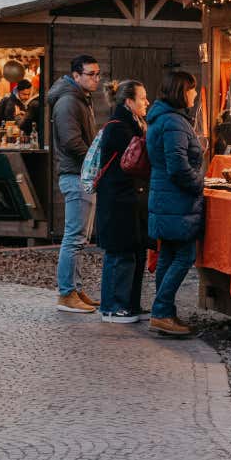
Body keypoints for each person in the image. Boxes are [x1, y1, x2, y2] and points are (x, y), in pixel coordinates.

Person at [145, 69, 204, 336]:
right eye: (191, 89)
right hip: (176, 200)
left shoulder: (162, 119)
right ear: (181, 91)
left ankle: (164, 311)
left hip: (165, 197)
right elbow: (178, 166)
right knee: (184, 255)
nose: (194, 94)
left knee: (169, 254)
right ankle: (161, 312)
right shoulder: (173, 122)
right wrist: (199, 183)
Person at [48, 54, 101, 313]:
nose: (96, 79)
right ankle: (66, 293)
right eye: (91, 74)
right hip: (76, 175)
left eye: (98, 74)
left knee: (80, 238)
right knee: (74, 238)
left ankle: (75, 289)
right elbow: (70, 141)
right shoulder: (69, 101)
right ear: (76, 75)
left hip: (80, 174)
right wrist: (93, 160)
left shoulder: (79, 99)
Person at [96, 80, 151, 323]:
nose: (147, 102)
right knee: (121, 253)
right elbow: (137, 160)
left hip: (130, 199)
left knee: (133, 252)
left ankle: (128, 304)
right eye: (142, 98)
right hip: (119, 200)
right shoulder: (118, 127)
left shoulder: (133, 124)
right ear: (129, 102)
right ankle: (114, 307)